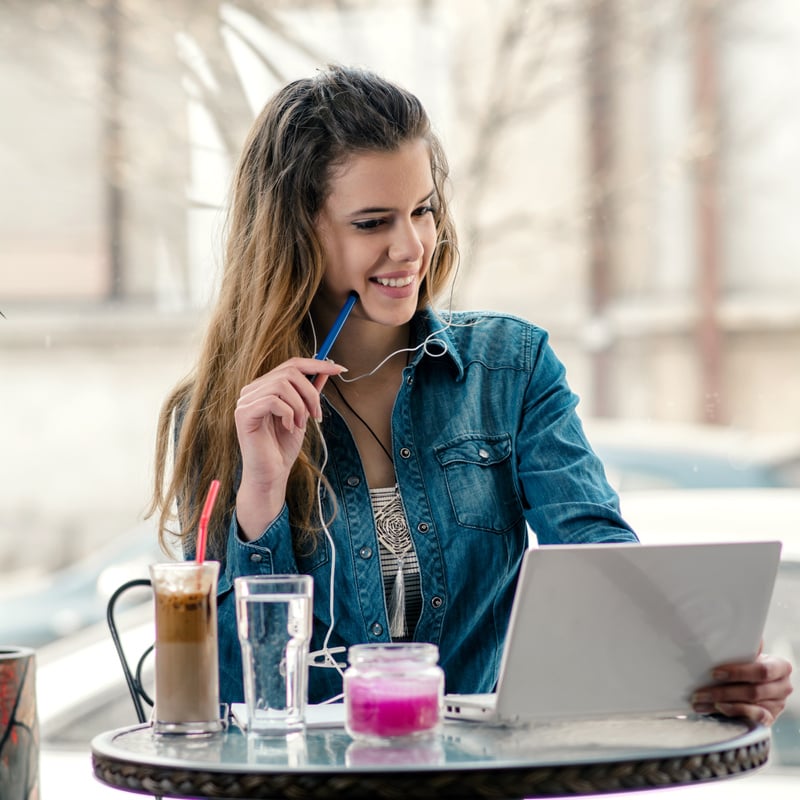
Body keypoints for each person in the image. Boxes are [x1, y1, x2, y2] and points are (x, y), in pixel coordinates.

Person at [150, 64, 792, 724]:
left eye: (423, 210)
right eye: (373, 222)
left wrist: (710, 666)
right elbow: (222, 696)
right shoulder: (224, 414)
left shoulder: (509, 371)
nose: (412, 247)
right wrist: (261, 495)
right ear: (295, 233)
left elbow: (600, 562)